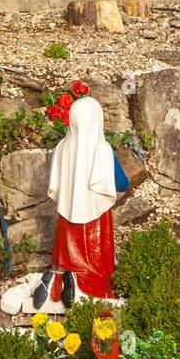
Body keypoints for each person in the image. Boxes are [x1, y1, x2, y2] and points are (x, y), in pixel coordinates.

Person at [31, 95, 125, 310]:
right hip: (95, 221)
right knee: (96, 265)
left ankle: (57, 278)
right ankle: (80, 285)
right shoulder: (103, 150)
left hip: (67, 216)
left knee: (63, 256)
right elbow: (121, 183)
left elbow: (56, 184)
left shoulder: (63, 146)